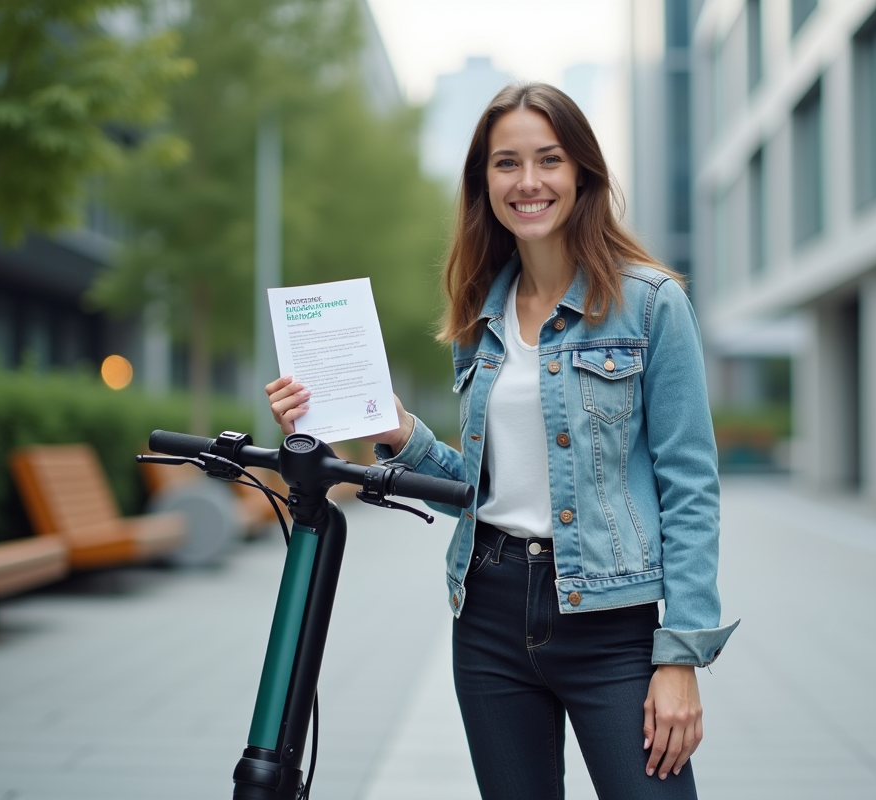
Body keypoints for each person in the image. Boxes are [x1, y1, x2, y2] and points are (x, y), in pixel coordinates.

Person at [266, 82, 737, 800]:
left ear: (581, 172)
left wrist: (681, 656)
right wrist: (399, 433)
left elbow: (691, 487)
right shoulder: (478, 316)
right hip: (486, 610)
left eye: (548, 159)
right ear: (483, 183)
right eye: (506, 163)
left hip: (612, 625)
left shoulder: (652, 305)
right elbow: (484, 488)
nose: (528, 182)